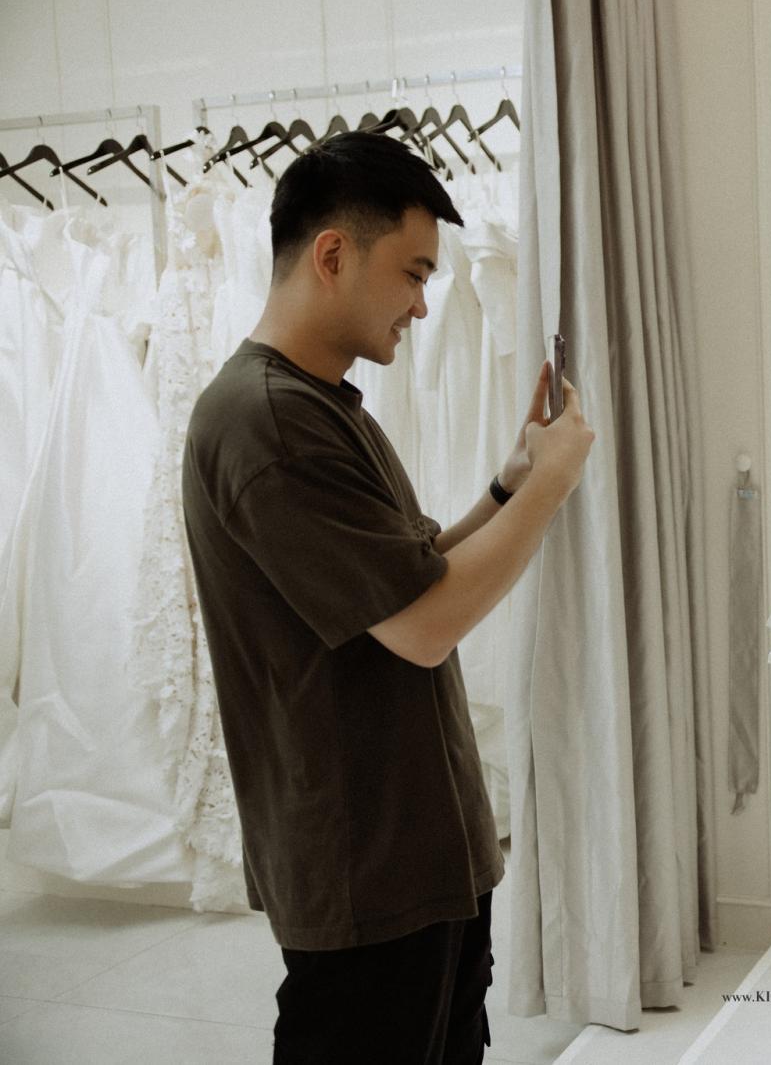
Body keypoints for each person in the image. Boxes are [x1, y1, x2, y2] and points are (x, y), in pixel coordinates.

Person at [182, 132, 595, 1065]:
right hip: (366, 872)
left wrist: (510, 482)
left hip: (414, 857)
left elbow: (411, 576)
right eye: (412, 273)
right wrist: (551, 485)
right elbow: (426, 626)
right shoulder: (269, 419)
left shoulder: (318, 403)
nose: (421, 304)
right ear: (333, 254)